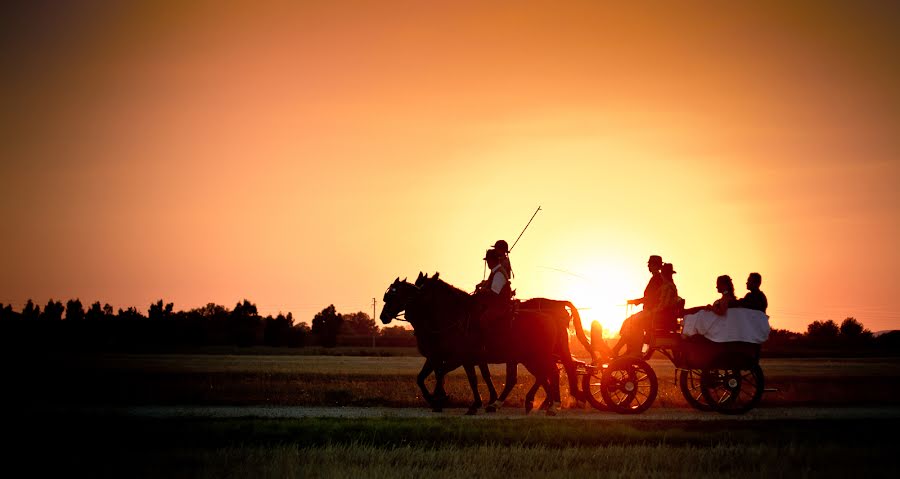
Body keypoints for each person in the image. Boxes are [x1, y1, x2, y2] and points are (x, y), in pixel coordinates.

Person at [612, 255, 664, 358]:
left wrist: (637, 301)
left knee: (630, 322)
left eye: (650, 264)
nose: (648, 266)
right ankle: (628, 350)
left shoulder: (657, 279)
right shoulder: (656, 278)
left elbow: (651, 297)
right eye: (648, 264)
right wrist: (637, 301)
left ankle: (622, 349)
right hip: (649, 311)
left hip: (651, 312)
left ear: (656, 266)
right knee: (629, 322)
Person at [474, 248, 514, 327]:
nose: (487, 263)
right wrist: (482, 284)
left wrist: (482, 291)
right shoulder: (496, 271)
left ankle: (486, 338)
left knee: (483, 319)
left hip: (500, 306)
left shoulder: (498, 274)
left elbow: (494, 293)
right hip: (497, 304)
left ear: (492, 260)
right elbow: (492, 283)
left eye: (488, 260)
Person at [654, 263, 683, 331]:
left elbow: (664, 305)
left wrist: (653, 311)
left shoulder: (668, 287)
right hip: (666, 315)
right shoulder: (668, 286)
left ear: (663, 274)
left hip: (664, 316)